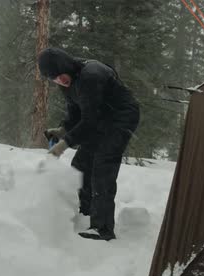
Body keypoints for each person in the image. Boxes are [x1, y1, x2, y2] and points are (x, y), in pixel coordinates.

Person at [38, 47, 140, 241]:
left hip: (121, 119)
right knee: (81, 165)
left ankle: (103, 229)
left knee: (102, 167)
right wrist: (62, 130)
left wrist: (62, 146)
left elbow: (89, 122)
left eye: (60, 75)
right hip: (100, 121)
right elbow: (76, 115)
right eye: (54, 79)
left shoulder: (90, 76)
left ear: (66, 66)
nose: (59, 81)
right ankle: (86, 211)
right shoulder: (67, 84)